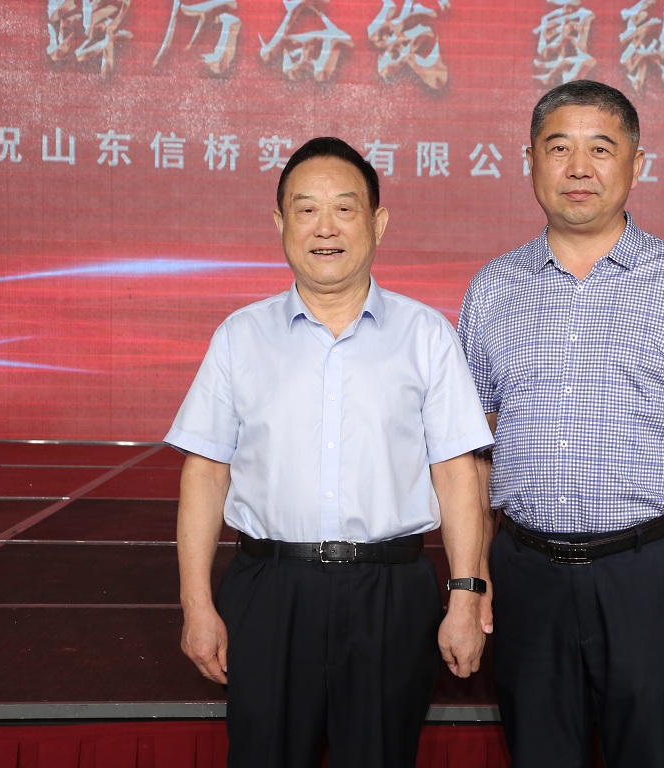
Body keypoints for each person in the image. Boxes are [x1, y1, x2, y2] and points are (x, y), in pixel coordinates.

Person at [167, 136, 494, 768]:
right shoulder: (240, 336)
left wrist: (464, 595)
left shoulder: (426, 335)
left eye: (344, 209)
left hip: (390, 592)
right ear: (280, 223)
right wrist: (197, 605)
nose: (325, 227)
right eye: (306, 209)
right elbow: (204, 474)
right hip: (269, 590)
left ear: (378, 223)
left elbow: (458, 477)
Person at [458, 80, 664, 767]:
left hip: (647, 574)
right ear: (530, 162)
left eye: (600, 148)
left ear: (636, 164)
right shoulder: (493, 289)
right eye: (558, 148)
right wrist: (472, 575)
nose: (578, 168)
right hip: (526, 571)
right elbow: (470, 452)